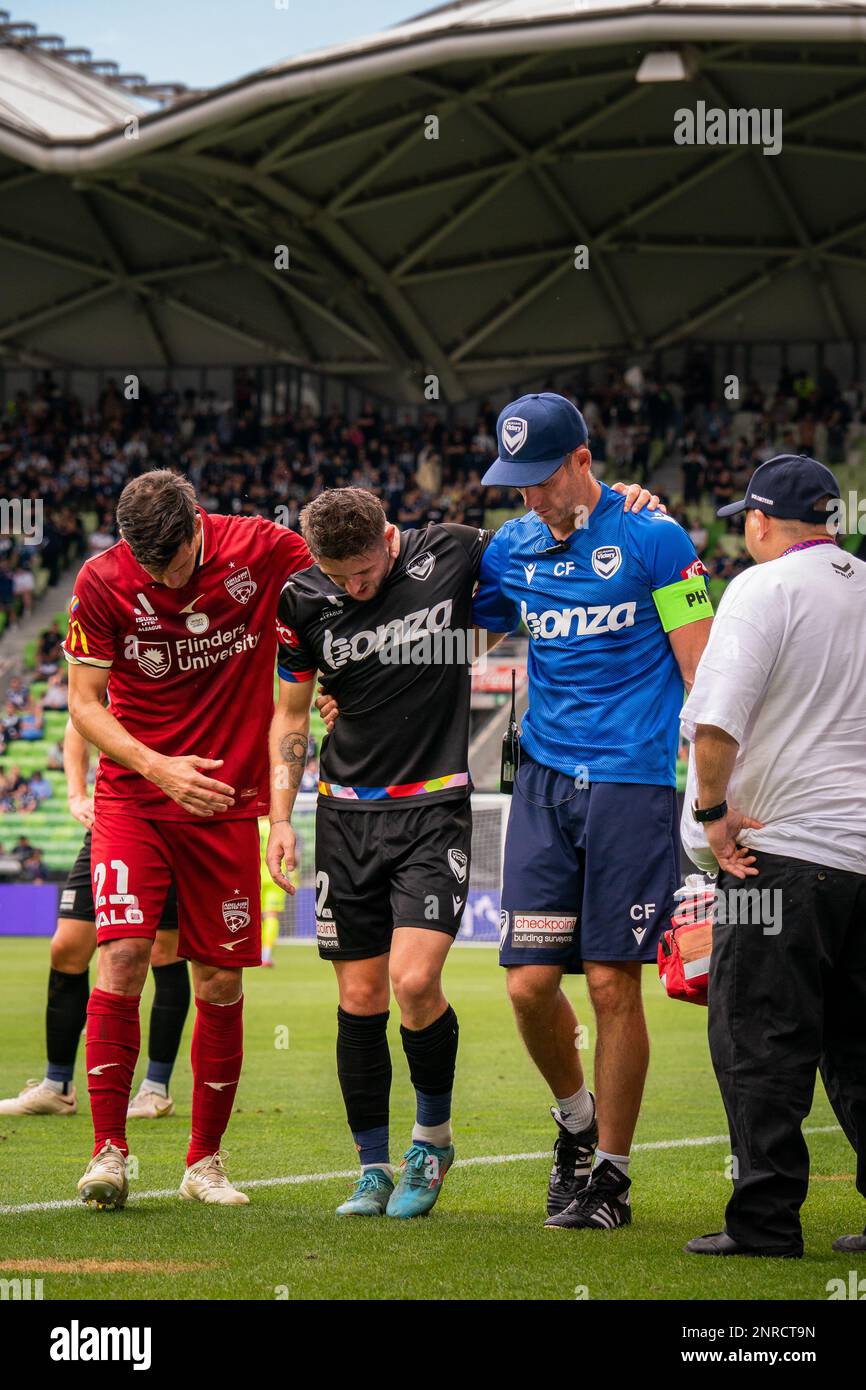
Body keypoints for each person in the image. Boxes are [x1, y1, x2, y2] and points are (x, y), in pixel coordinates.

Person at [268, 479, 661, 1221]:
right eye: (338, 577)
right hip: (343, 816)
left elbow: (549, 529)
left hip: (433, 807)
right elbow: (290, 710)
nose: (353, 588)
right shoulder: (300, 601)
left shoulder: (450, 550)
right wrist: (281, 816)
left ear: (389, 538)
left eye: (365, 573)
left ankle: (432, 1140)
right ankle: (372, 1169)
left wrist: (618, 499)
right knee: (357, 999)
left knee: (414, 983)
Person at [472, 392, 713, 1232]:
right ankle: (574, 1123)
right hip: (541, 783)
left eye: (540, 479)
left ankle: (610, 1176)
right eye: (516, 485)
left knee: (613, 983)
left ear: (582, 461)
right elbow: (450, 622)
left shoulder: (658, 537)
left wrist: (715, 798)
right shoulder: (511, 547)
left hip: (632, 784)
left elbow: (704, 672)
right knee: (528, 984)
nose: (529, 498)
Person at [64, 469, 310, 1209]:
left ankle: (205, 1162)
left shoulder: (264, 549)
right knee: (124, 955)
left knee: (220, 982)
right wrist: (155, 767)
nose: (161, 578)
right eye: (148, 564)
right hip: (135, 798)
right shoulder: (101, 580)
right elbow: (84, 702)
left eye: (171, 561)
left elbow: (350, 577)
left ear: (198, 524)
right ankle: (110, 1153)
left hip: (227, 805)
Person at [679, 453, 866, 1258]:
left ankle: (764, 1221)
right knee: (860, 1045)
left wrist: (714, 817)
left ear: (759, 521)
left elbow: (716, 722)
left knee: (758, 1038)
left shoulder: (762, 587)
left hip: (782, 855)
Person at [0, 719, 190, 1121]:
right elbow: (76, 723)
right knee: (67, 947)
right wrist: (75, 795)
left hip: (173, 821)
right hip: (113, 819)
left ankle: (156, 1088)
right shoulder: (111, 664)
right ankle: (57, 1086)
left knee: (163, 951)